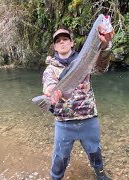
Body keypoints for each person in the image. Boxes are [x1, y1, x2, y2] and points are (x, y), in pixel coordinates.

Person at [42, 23, 114, 180]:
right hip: (64, 123)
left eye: (65, 39)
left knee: (95, 152)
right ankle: (55, 177)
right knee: (60, 158)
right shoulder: (50, 69)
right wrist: (50, 92)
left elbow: (101, 67)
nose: (62, 42)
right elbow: (48, 84)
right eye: (58, 40)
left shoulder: (85, 60)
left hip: (89, 120)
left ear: (72, 43)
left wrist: (105, 46)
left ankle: (100, 175)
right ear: (54, 46)